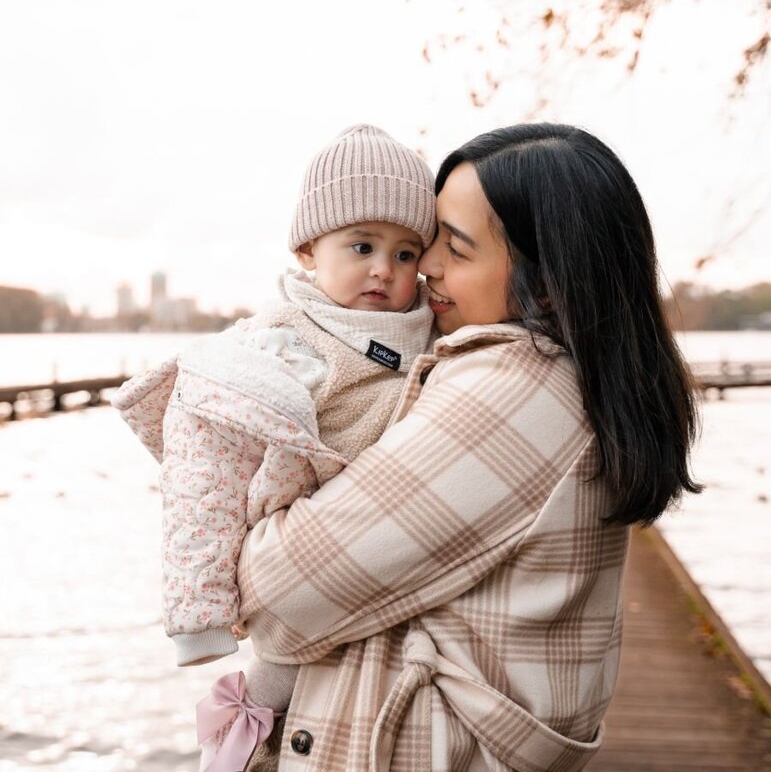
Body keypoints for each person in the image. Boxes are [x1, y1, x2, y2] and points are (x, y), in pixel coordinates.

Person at [234, 123, 702, 771]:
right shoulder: (571, 376)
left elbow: (280, 591)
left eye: (453, 247)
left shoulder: (517, 387)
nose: (424, 266)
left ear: (546, 280)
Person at [111, 125, 438, 770]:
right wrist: (202, 614)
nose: (384, 269)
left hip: (393, 544)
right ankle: (239, 741)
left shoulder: (430, 332)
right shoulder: (282, 342)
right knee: (281, 682)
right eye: (363, 245)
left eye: (406, 255)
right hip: (299, 539)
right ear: (308, 252)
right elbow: (204, 473)